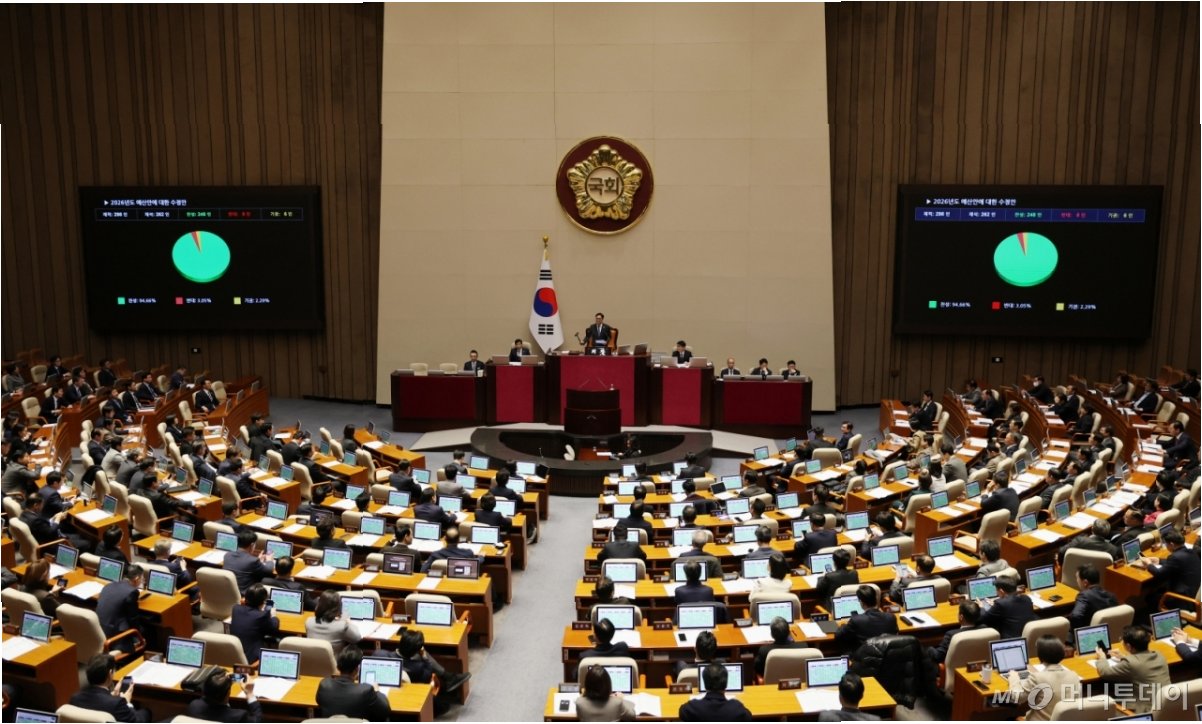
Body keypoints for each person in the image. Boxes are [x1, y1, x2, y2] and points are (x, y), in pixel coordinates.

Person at [1095, 625, 1171, 715]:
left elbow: (1105, 672)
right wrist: (1123, 657)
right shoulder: (1159, 655)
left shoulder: (1131, 663)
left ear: (1128, 646)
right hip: (1168, 704)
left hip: (1147, 711)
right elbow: (1141, 663)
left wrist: (1102, 658)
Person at [1008, 635, 1081, 722]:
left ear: (1040, 655)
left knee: (1009, 718)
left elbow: (1017, 698)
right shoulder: (1074, 675)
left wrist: (1014, 679)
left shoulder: (1037, 677)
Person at [315, 647, 392, 721]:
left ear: (338, 667)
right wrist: (376, 691)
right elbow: (385, 710)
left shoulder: (324, 684)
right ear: (356, 670)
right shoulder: (366, 690)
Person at [71, 653, 151, 722]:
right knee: (147, 712)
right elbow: (136, 721)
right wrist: (127, 703)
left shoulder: (75, 698)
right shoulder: (117, 703)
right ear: (110, 673)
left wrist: (111, 695)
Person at [397, 628, 471, 692]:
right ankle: (448, 677)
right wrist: (424, 657)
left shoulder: (390, 655)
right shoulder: (418, 667)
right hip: (418, 689)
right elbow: (428, 675)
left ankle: (448, 677)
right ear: (415, 651)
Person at [1135, 529, 1201, 599]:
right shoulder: (1191, 551)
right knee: (1160, 586)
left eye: (1165, 544)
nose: (1165, 546)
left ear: (1172, 544)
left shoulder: (1175, 557)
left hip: (1181, 598)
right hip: (1192, 590)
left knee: (1149, 597)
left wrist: (1149, 564)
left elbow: (1159, 574)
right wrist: (1159, 560)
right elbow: (1177, 563)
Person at [96, 565, 146, 652]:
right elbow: (133, 618)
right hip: (115, 637)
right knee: (148, 630)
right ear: (137, 578)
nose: (143, 581)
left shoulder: (109, 585)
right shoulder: (132, 592)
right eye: (142, 578)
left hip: (100, 629)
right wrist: (140, 634)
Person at [834, 585, 898, 653]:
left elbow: (839, 635)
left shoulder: (856, 620)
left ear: (861, 602)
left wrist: (843, 625)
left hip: (864, 657)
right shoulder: (891, 617)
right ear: (876, 599)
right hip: (887, 657)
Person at [678, 663, 752, 721]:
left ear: (704, 683)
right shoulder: (736, 708)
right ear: (726, 684)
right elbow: (748, 716)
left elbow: (681, 712)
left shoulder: (693, 707)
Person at [186, 669, 261, 723]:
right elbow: (257, 720)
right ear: (228, 693)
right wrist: (250, 694)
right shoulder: (239, 716)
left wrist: (221, 683)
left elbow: (208, 695)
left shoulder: (194, 706)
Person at [230, 583, 279, 663]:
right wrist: (273, 616)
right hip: (252, 658)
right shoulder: (262, 615)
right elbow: (274, 628)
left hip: (234, 654)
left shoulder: (235, 609)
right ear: (262, 602)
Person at [305, 590, 362, 656]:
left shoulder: (309, 622)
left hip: (312, 661)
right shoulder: (342, 626)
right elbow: (357, 638)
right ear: (338, 607)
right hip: (335, 662)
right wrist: (348, 622)